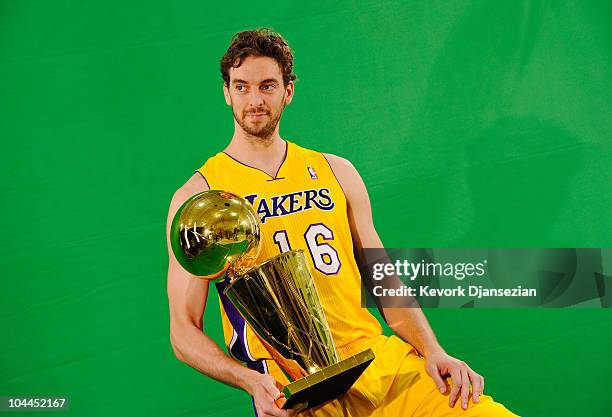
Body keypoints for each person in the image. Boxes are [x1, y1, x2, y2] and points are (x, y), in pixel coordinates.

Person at [166, 28, 518, 417]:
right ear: (227, 93)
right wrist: (250, 380)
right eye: (242, 87)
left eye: (267, 86)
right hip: (293, 389)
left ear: (288, 91)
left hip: (377, 363)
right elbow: (183, 332)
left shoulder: (335, 171)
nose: (255, 100)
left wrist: (433, 349)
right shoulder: (201, 197)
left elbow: (383, 280)